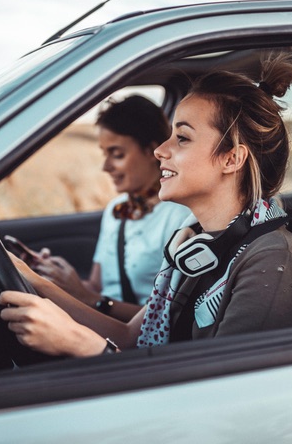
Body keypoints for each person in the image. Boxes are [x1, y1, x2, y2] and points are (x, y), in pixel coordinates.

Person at [0, 52, 292, 357]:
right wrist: (35, 281)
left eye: (181, 138)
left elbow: (216, 400)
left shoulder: (272, 262)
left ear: (232, 158)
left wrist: (80, 343)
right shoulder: (195, 244)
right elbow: (128, 338)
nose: (160, 151)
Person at [30, 95, 189, 322]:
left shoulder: (180, 216)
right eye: (105, 154)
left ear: (152, 150)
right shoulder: (117, 208)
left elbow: (170, 318)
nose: (106, 167)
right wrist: (55, 278)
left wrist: (90, 299)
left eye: (117, 154)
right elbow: (96, 285)